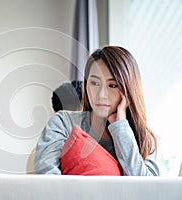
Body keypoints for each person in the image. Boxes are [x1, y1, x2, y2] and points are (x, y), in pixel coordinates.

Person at [34, 46, 159, 176]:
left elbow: (147, 187)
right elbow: (46, 178)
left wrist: (120, 128)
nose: (101, 95)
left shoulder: (141, 137)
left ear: (128, 91)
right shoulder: (63, 123)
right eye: (94, 83)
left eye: (112, 85)